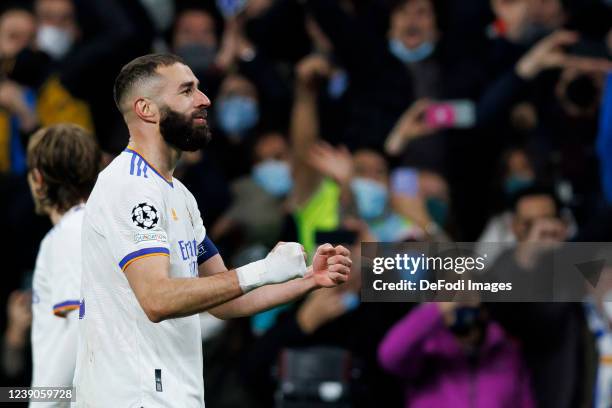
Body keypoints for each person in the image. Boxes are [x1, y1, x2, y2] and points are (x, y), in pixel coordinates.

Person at [74, 53, 352, 407]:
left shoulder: (179, 194)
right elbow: (156, 299)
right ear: (146, 108)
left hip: (173, 393)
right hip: (133, 396)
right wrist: (264, 269)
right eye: (187, 91)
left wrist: (309, 279)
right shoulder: (130, 186)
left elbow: (227, 299)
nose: (205, 99)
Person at [26, 124, 100, 407]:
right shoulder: (97, 225)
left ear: (38, 178)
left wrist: (41, 404)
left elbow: (80, 325)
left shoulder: (69, 233)